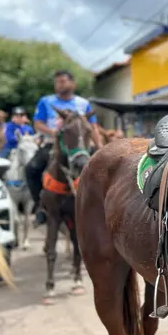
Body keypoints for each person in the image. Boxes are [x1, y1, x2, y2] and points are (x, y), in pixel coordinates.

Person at [26, 70, 100, 225]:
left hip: (80, 147)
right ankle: (40, 206)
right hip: (53, 145)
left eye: (63, 81)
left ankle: (97, 205)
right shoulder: (46, 101)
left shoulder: (83, 103)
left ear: (73, 84)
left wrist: (100, 147)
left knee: (99, 171)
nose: (59, 85)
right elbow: (38, 123)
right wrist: (53, 133)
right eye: (57, 82)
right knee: (31, 168)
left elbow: (93, 126)